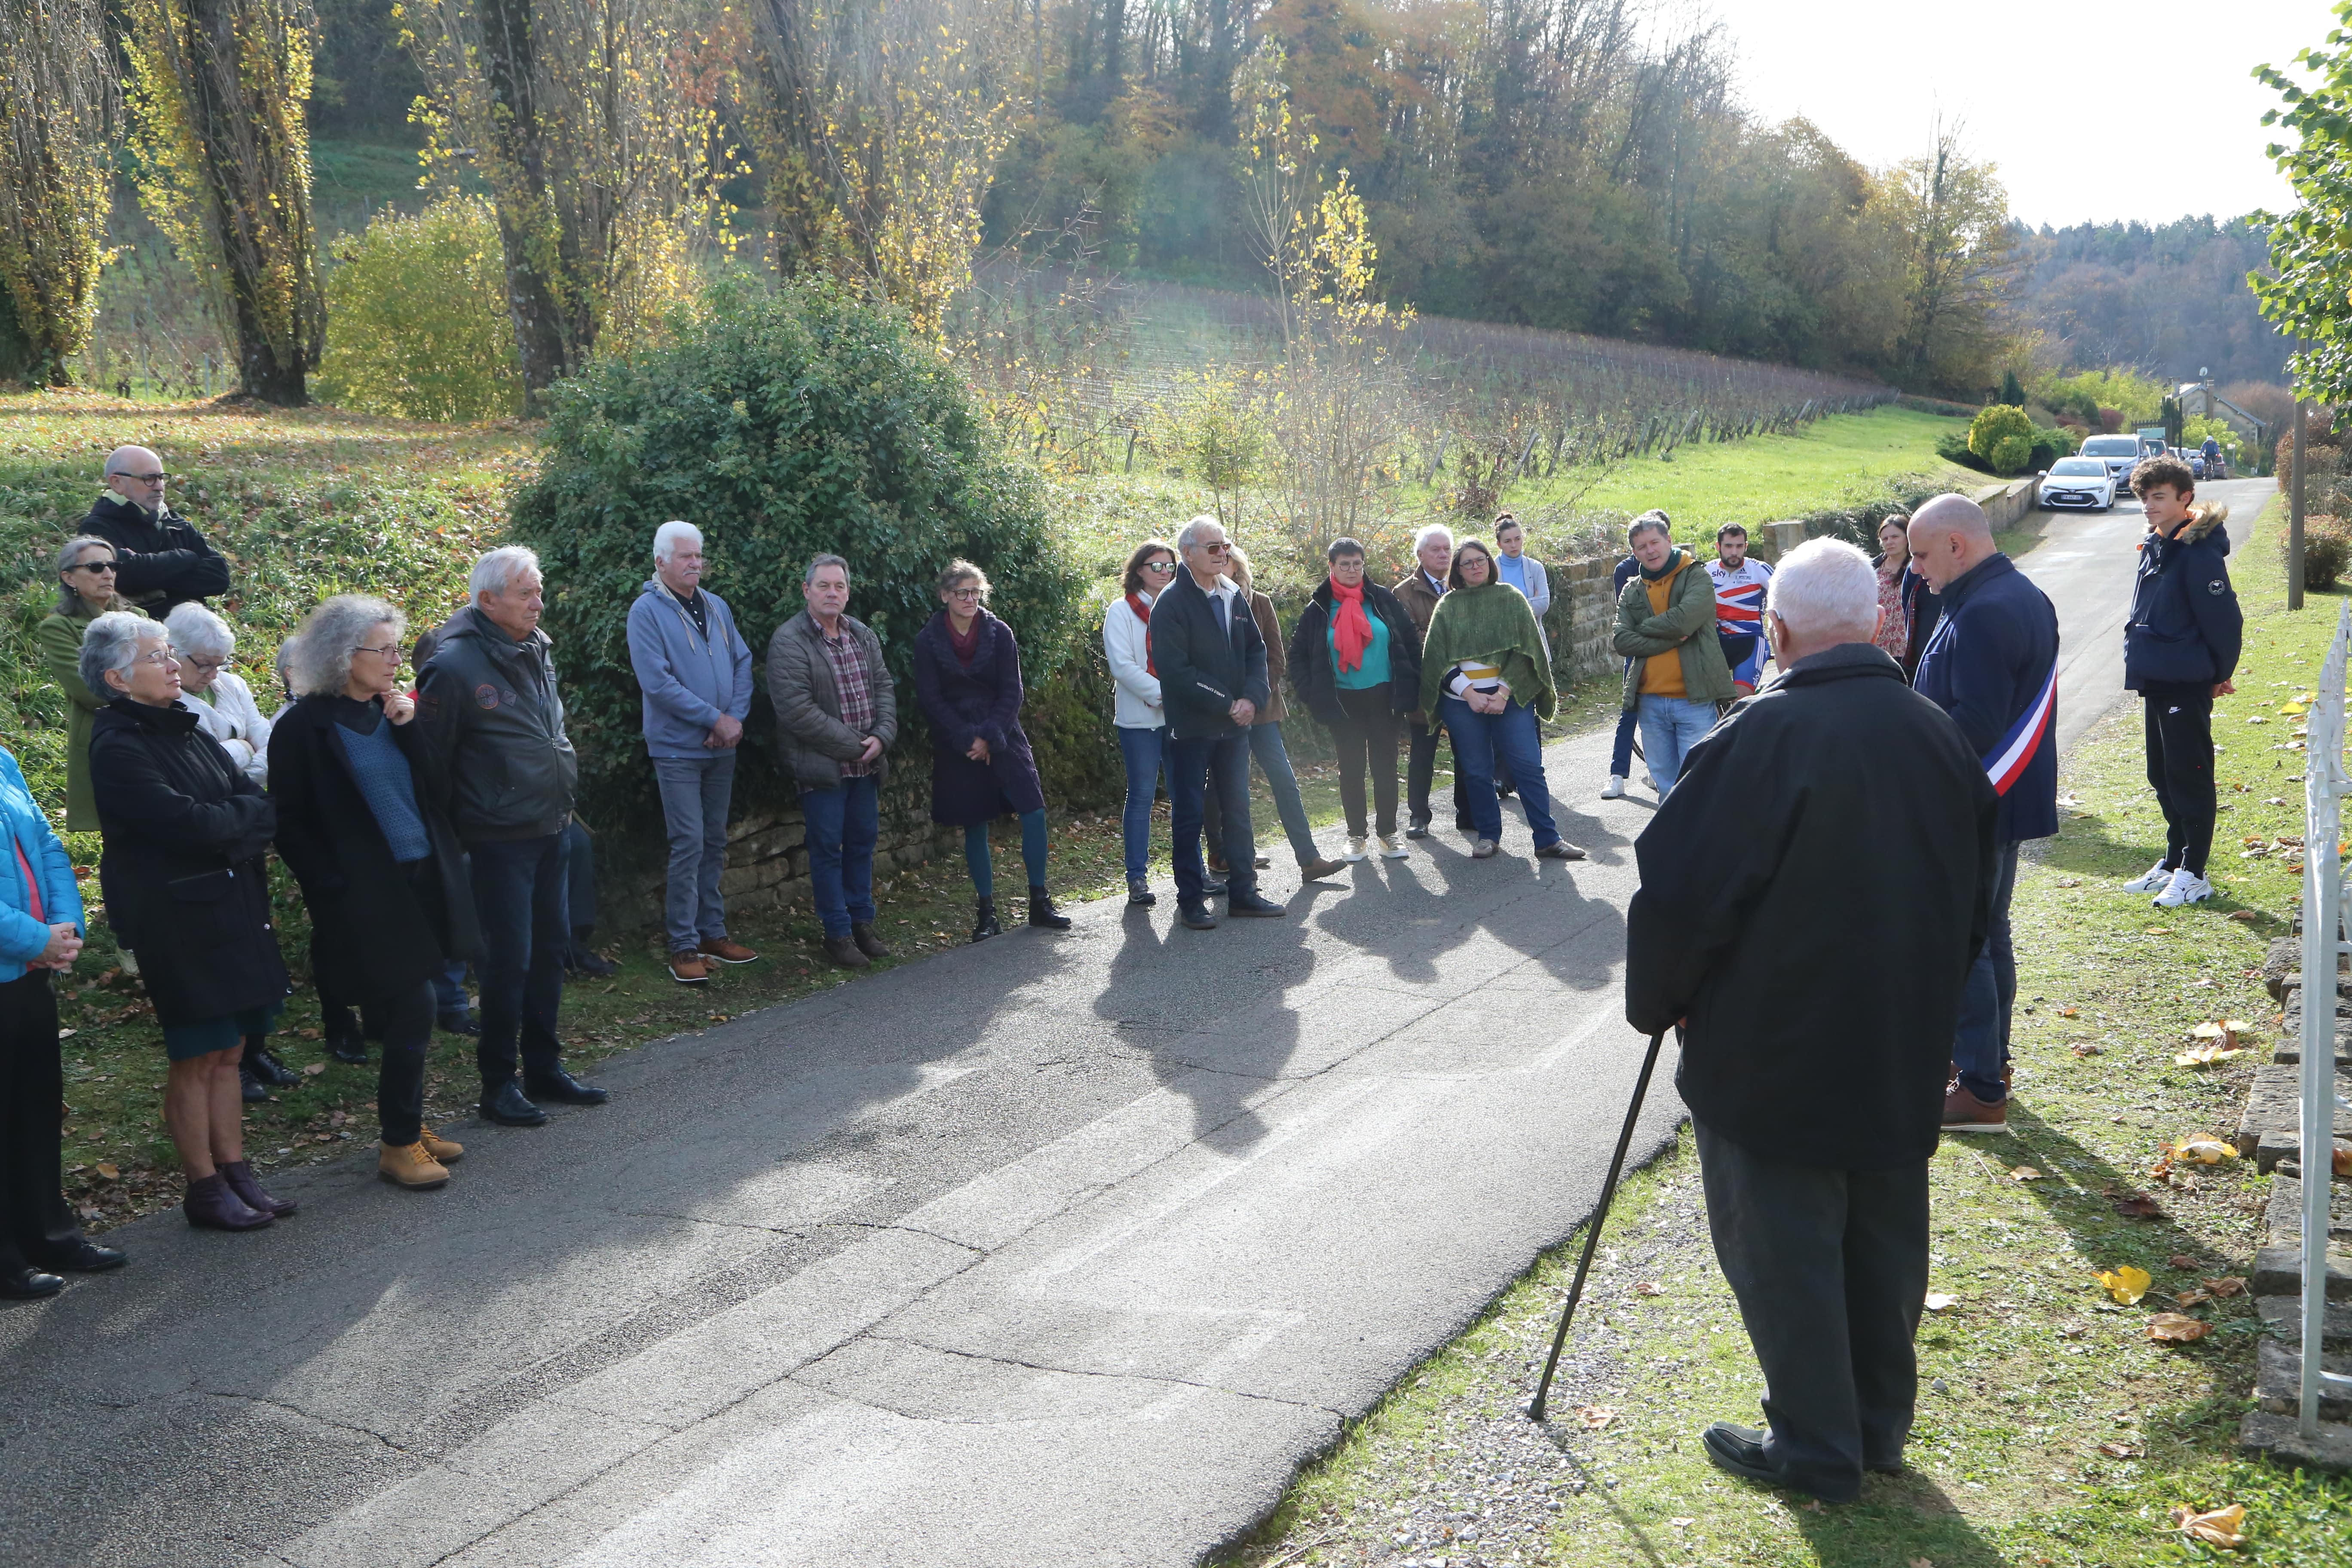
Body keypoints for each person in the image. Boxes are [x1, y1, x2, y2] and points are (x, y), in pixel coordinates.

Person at [1625, 537, 1997, 1506]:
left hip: (1771, 1053)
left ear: (1779, 633)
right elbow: (1976, 908)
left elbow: (1675, 894)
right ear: (1877, 623)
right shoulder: (1935, 731)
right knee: (1882, 1240)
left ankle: (1818, 1451)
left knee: (1786, 1248)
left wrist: (1660, 1004)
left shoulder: (1759, 737)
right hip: (1898, 1040)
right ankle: (1873, 1431)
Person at [83, 611, 294, 1230]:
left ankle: (236, 1174)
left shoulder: (188, 729)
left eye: (172, 653)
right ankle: (203, 1188)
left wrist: (232, 823)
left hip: (230, 907)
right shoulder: (119, 745)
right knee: (197, 1054)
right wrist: (236, 825)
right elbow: (188, 826)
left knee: (230, 1049)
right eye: (158, 657)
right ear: (119, 679)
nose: (174, 665)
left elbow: (256, 803)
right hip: (176, 920)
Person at [271, 597, 481, 1191]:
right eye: (382, 650)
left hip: (423, 876)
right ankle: (396, 1143)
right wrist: (331, 885)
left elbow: (438, 791)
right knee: (417, 1006)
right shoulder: (303, 728)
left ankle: (410, 1124)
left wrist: (411, 730)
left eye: (396, 648)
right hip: (366, 892)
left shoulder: (393, 713)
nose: (396, 660)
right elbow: (287, 821)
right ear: (344, 656)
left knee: (404, 1012)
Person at [414, 545, 607, 1127]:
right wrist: (464, 832)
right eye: (527, 593)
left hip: (551, 826)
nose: (538, 602)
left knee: (551, 951)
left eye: (538, 590)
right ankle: (498, 1083)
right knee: (509, 961)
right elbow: (432, 764)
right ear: (489, 599)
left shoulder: (536, 647)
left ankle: (544, 1068)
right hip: (498, 838)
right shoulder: (451, 666)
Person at [1908, 493, 2060, 1135]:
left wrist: (1903, 746)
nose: (1915, 568)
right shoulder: (2016, 595)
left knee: (1962, 945)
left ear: (1956, 545)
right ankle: (1988, 1066)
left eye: (1920, 554)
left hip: (1974, 803)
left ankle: (1978, 1088)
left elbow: (1975, 722)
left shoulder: (1984, 612)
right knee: (1988, 936)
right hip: (2000, 802)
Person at [0, 740, 123, 1296]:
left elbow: (48, 845)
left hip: (30, 972)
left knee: (35, 1106)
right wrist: (35, 940)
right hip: (19, 955)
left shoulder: (2, 759)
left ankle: (49, 1234)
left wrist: (67, 927)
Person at [626, 520, 758, 985]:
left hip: (723, 745)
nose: (695, 563)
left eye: (699, 555)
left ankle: (711, 934)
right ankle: (682, 944)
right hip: (678, 749)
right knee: (689, 843)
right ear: (661, 561)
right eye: (685, 556)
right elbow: (657, 683)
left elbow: (742, 662)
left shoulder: (717, 606)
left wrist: (734, 720)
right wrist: (713, 720)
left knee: (715, 841)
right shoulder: (646, 612)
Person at [913, 560, 1071, 941]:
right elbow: (931, 698)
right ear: (945, 596)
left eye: (976, 593)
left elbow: (1012, 691)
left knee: (1033, 812)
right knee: (975, 824)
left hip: (1003, 733)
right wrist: (968, 739)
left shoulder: (1000, 633)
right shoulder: (927, 639)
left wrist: (989, 735)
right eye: (963, 593)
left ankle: (1039, 901)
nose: (970, 600)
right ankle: (987, 914)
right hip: (957, 742)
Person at [1154, 516, 1288, 930]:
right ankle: (1191, 900)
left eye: (1225, 546)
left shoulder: (1233, 595)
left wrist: (1252, 699)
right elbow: (1176, 670)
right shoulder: (1171, 603)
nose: (1222, 553)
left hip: (1235, 727)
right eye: (1212, 547)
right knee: (1190, 814)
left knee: (1239, 808)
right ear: (1189, 553)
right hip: (1191, 728)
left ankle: (1244, 893)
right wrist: (1228, 702)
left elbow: (1256, 652)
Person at [2119, 455, 2240, 910]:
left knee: (2189, 776)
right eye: (2144, 498)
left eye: (2159, 497)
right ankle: (2173, 862)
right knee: (2162, 774)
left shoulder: (2198, 552)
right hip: (2158, 676)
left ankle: (2195, 873)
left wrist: (2219, 674)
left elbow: (2225, 620)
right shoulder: (2156, 544)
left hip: (2186, 679)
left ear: (2185, 498)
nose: (2149, 506)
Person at [767, 554, 899, 970]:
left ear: (848, 591)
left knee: (861, 845)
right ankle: (837, 934)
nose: (832, 593)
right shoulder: (789, 641)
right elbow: (797, 711)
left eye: (839, 586)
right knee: (827, 850)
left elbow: (884, 689)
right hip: (824, 770)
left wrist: (882, 737)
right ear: (807, 591)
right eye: (823, 586)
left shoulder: (862, 634)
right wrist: (857, 745)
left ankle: (862, 924)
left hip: (866, 765)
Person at [1418, 540, 1584, 862]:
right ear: (1458, 571)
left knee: (1528, 767)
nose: (1476, 566)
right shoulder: (1449, 607)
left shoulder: (1511, 599)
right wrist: (1469, 693)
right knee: (1477, 771)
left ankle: (1548, 839)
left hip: (1511, 700)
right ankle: (1488, 836)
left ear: (1490, 564)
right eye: (1468, 563)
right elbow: (1437, 659)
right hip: (1463, 702)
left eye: (1480, 560)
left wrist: (1503, 692)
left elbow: (1527, 654)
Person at [1200, 546, 1347, 884]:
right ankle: (1226, 855)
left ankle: (1309, 859)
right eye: (1218, 561)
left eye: (1230, 561)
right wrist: (1227, 702)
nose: (1224, 566)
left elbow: (1275, 660)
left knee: (1284, 780)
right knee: (1222, 788)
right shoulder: (1201, 604)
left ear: (1239, 566)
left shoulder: (1260, 603)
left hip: (1262, 711)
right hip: (1221, 713)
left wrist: (1252, 699)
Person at [1289, 537, 1421, 861]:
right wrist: (1312, 695)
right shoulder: (1319, 609)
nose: (1352, 570)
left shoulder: (1382, 600)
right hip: (1342, 701)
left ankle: (1389, 834)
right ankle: (1355, 836)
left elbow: (1409, 643)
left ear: (1364, 565)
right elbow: (1298, 658)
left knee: (1385, 767)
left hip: (1384, 698)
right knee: (1350, 770)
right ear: (1332, 567)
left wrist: (1411, 683)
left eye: (1357, 564)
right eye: (1344, 565)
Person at [1613, 513, 1736, 796]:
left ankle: (1703, 840)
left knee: (1699, 781)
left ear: (1668, 540)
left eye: (1655, 542)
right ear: (1634, 553)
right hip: (1651, 703)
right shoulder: (1632, 590)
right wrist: (1669, 640)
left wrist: (1642, 628)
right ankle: (1671, 840)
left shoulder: (1697, 576)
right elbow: (1621, 640)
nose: (1650, 550)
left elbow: (1684, 621)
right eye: (1642, 547)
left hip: (1694, 700)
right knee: (1666, 785)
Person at [40, 537, 144, 835]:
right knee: (121, 833)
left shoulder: (139, 620)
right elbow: (89, 689)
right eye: (96, 567)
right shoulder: (59, 627)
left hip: (154, 731)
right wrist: (149, 693)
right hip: (108, 735)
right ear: (69, 578)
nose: (108, 574)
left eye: (112, 566)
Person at [1105, 539, 1176, 907]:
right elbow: (1122, 666)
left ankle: (1190, 871)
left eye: (1170, 566)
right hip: (1140, 719)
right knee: (1142, 797)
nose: (1165, 573)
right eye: (1157, 566)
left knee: (1186, 795)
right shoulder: (1121, 611)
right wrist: (1166, 693)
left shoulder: (1180, 606)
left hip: (1180, 717)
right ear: (1138, 572)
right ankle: (1137, 877)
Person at [79, 446, 230, 616]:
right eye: (149, 479)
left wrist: (152, 576)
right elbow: (124, 578)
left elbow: (219, 577)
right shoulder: (97, 527)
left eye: (161, 478)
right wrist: (186, 557)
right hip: (137, 632)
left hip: (194, 630)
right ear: (117, 483)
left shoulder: (174, 521)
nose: (159, 486)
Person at [1394, 524, 1471, 837]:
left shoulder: (1465, 585)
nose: (1443, 555)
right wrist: (1451, 639)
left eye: (1447, 549)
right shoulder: (1403, 593)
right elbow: (1409, 640)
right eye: (1436, 549)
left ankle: (1468, 813)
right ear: (1420, 554)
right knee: (1422, 754)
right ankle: (1418, 817)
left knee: (1467, 750)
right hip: (1425, 685)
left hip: (1466, 684)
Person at [1708, 524, 1775, 695]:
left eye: (1739, 546)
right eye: (1729, 546)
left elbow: (1786, 598)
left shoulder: (1759, 569)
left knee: (1741, 701)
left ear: (1746, 546)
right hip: (1717, 643)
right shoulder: (1706, 571)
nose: (1734, 552)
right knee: (1710, 701)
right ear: (1718, 547)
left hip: (1751, 640)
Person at [1600, 547, 1643, 800]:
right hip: (1637, 650)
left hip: (1670, 649)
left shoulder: (1678, 567)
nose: (1649, 550)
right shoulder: (1625, 571)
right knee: (1629, 711)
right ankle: (1617, 775)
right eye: (1641, 545)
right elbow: (1626, 615)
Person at [1869, 518, 1914, 666]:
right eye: (1885, 539)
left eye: (1895, 537)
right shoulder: (1872, 570)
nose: (1890, 542)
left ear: (1907, 538)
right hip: (1879, 649)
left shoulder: (1918, 569)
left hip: (1909, 649)